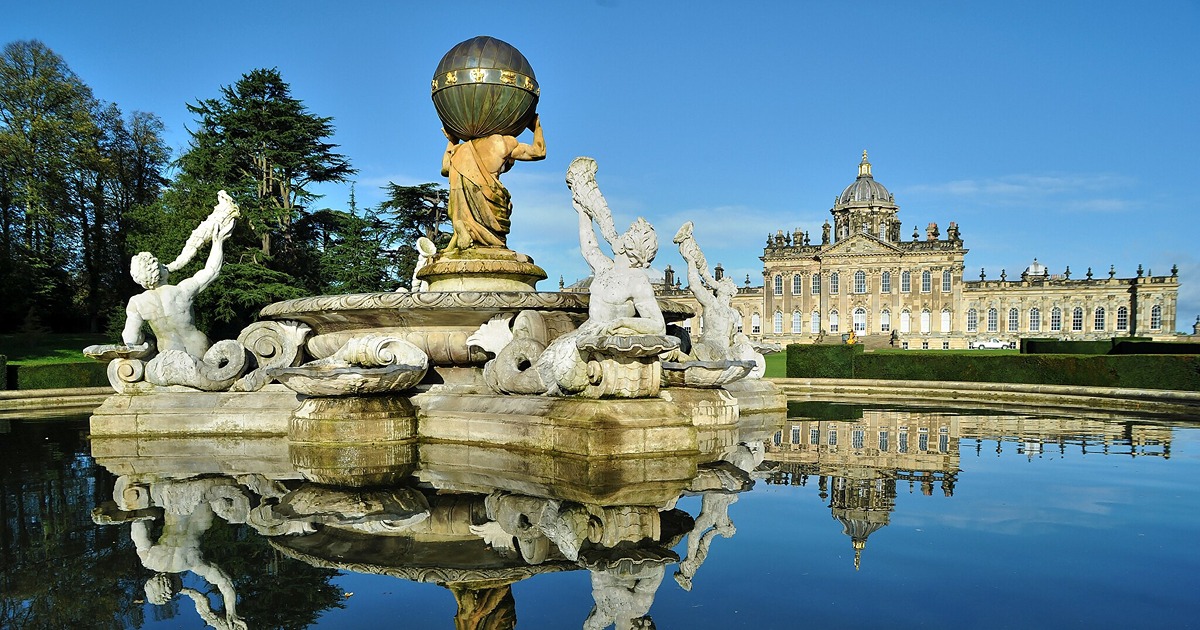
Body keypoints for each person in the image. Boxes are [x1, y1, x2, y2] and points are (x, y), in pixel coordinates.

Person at [122, 194, 237, 358]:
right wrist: (218, 242)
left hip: (170, 355)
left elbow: (130, 339)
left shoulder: (137, 303)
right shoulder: (182, 290)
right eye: (161, 265)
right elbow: (211, 271)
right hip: (200, 348)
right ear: (160, 271)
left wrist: (145, 339)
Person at [441, 115, 545, 251]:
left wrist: (453, 141)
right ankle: (474, 231)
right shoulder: (504, 143)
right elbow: (539, 152)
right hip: (490, 197)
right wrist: (536, 127)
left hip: (464, 194)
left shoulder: (460, 150)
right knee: (497, 243)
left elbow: (445, 168)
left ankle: (466, 227)